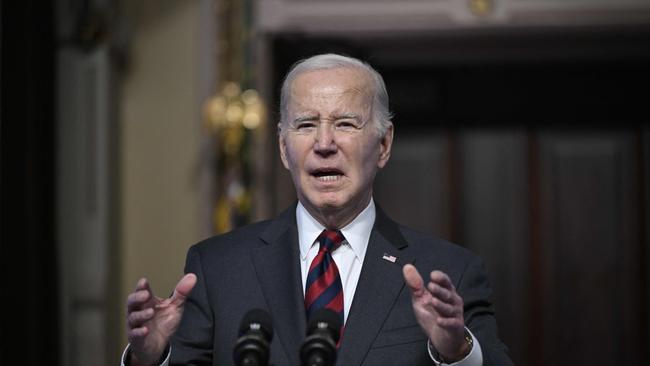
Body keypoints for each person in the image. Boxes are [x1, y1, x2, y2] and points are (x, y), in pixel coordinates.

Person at [123, 54, 513, 366]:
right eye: (306, 124)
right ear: (282, 147)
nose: (324, 143)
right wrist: (150, 358)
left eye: (345, 123)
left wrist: (457, 352)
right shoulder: (217, 267)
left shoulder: (447, 272)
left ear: (383, 145)